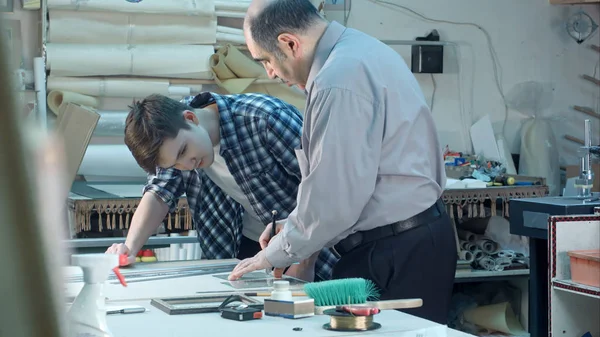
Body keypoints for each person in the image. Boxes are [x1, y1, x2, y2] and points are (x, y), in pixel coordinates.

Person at [228, 0, 457, 324]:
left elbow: (333, 203)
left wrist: (273, 253)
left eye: (265, 60)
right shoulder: (361, 50)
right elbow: (339, 180)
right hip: (409, 242)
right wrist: (295, 227)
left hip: (395, 252)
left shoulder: (338, 78)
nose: (269, 72)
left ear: (289, 43)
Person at [105, 92, 339, 282]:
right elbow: (158, 193)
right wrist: (129, 248)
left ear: (191, 118)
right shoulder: (171, 135)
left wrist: (303, 261)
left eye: (184, 152)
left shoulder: (265, 119)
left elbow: (326, 191)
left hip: (308, 246)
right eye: (175, 164)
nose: (187, 165)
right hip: (244, 248)